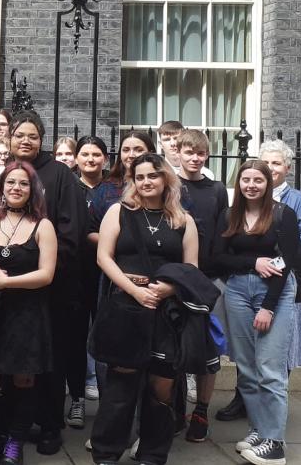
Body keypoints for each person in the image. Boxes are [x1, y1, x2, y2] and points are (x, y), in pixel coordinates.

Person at [90, 153, 199, 465]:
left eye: (152, 175)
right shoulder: (119, 212)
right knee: (121, 383)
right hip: (126, 306)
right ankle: (106, 452)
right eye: (140, 177)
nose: (146, 182)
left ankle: (152, 453)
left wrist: (170, 289)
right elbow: (103, 258)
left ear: (165, 178)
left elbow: (191, 268)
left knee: (162, 387)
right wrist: (135, 290)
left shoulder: (183, 220)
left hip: (166, 312)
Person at [0, 111, 86, 456]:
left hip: (51, 288)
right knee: (14, 359)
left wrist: (39, 269)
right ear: (9, 139)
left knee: (50, 360)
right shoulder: (3, 174)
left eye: (32, 136)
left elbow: (71, 232)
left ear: (41, 140)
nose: (25, 141)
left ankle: (49, 425)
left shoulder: (60, 175)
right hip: (10, 289)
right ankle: (13, 424)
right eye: (20, 135)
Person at [0, 161, 57, 465]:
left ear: (33, 190)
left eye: (23, 183)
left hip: (27, 313)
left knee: (23, 380)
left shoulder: (43, 226)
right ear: (0, 187)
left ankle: (14, 443)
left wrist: (8, 282)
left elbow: (46, 275)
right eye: (11, 182)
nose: (17, 188)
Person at [213, 160, 301, 465]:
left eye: (258, 180)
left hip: (274, 291)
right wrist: (253, 263)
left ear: (268, 184)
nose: (251, 185)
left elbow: (287, 262)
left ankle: (275, 444)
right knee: (247, 369)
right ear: (238, 183)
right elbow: (217, 257)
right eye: (246, 180)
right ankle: (259, 430)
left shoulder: (283, 214)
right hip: (238, 290)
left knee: (270, 370)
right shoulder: (229, 215)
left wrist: (268, 307)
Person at [175, 130, 229, 443]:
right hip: (178, 278)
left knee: (209, 349)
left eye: (200, 153)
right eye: (189, 152)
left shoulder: (217, 189)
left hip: (209, 278)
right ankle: (174, 409)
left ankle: (201, 412)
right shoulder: (169, 185)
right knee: (174, 347)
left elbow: (224, 231)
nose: (195, 158)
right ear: (178, 152)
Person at [260, 140, 301, 369]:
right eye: (265, 162)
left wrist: (276, 264)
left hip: (287, 280)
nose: (270, 168)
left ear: (287, 168)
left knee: (285, 343)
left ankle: (280, 389)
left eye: (276, 163)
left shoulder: (297, 200)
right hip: (255, 277)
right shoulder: (249, 198)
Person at [66, 135, 109, 424]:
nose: (90, 159)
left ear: (105, 158)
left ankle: (108, 403)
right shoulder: (69, 187)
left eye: (96, 154)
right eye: (85, 154)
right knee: (75, 338)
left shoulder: (114, 189)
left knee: (106, 338)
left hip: (109, 274)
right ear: (76, 158)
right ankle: (77, 398)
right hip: (75, 273)